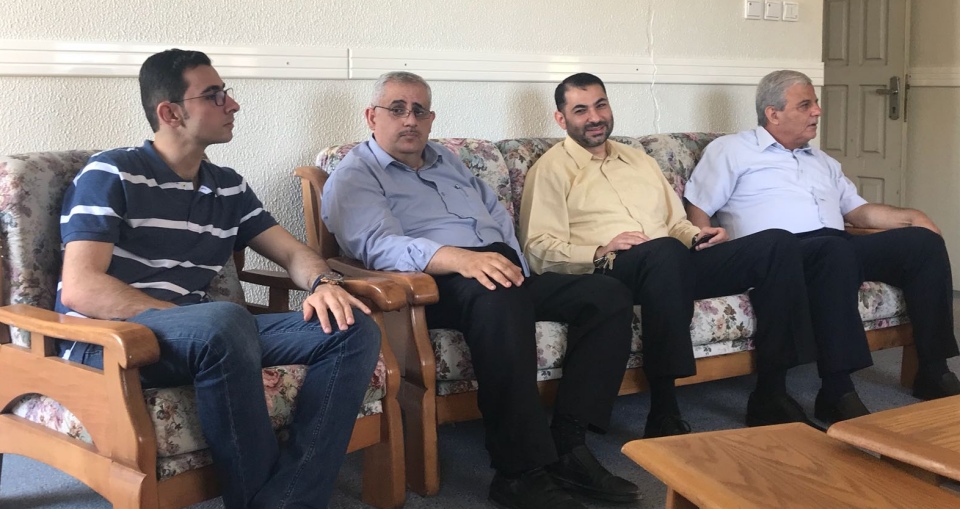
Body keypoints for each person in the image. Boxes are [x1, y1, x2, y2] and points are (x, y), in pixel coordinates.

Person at [56, 49, 382, 509]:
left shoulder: (228, 186)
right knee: (223, 321)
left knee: (352, 327)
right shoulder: (113, 173)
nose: (233, 104)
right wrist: (190, 322)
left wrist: (324, 284)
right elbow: (82, 287)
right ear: (170, 113)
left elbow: (292, 252)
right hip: (106, 341)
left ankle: (288, 500)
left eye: (226, 93)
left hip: (208, 338)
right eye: (214, 95)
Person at [322, 71, 638, 509]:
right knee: (498, 295)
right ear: (372, 116)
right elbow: (377, 245)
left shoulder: (447, 160)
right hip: (429, 286)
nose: (409, 119)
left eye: (419, 110)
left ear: (431, 119)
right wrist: (459, 259)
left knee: (606, 295)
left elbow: (496, 216)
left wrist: (515, 266)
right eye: (397, 109)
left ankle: (568, 445)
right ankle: (519, 473)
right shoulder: (355, 174)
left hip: (497, 270)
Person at [520, 72, 830, 436]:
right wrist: (601, 249)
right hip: (612, 270)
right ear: (561, 119)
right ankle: (664, 409)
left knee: (777, 244)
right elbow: (538, 249)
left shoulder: (639, 160)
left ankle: (771, 393)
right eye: (581, 110)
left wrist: (698, 236)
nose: (595, 117)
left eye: (601, 105)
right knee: (664, 252)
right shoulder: (551, 169)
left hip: (671, 263)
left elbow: (675, 224)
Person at [685, 69, 960, 416]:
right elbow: (698, 205)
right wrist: (706, 241)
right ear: (773, 113)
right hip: (781, 255)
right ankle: (836, 390)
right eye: (805, 105)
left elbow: (857, 212)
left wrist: (911, 218)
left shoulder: (822, 160)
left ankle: (933, 370)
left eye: (815, 103)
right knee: (833, 251)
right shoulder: (732, 150)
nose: (817, 111)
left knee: (922, 243)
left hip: (836, 244)